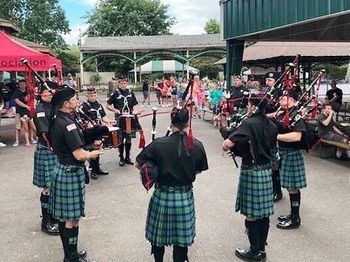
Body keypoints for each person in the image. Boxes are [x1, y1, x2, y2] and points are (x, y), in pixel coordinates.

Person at [135, 107, 208, 262]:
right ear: (187, 122)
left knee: (158, 237)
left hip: (162, 194)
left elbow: (137, 163)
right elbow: (199, 170)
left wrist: (154, 165)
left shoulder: (158, 144)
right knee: (181, 241)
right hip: (184, 196)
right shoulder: (197, 145)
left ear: (171, 122)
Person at [49, 87, 102, 262]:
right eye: (74, 99)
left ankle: (71, 253)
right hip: (70, 172)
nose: (76, 101)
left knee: (68, 219)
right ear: (66, 104)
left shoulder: (59, 119)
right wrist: (94, 153)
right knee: (71, 220)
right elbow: (79, 155)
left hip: (63, 169)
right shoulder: (67, 124)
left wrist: (89, 142)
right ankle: (70, 257)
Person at [223, 96, 278, 262]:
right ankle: (261, 249)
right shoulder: (273, 125)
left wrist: (226, 141)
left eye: (248, 104)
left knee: (251, 214)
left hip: (251, 171)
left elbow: (228, 144)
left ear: (253, 107)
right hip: (266, 171)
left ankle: (254, 252)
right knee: (264, 214)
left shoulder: (248, 124)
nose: (247, 107)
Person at [274, 91, 307, 230]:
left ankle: (295, 218)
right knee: (289, 186)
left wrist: (275, 136)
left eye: (284, 97)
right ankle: (293, 215)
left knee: (293, 187)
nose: (281, 99)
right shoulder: (282, 112)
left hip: (292, 153)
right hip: (283, 152)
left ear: (292, 100)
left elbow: (296, 136)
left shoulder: (296, 114)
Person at [32, 88, 59, 235]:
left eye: (50, 93)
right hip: (47, 149)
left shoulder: (54, 106)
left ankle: (53, 216)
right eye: (45, 94)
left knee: (54, 186)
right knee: (47, 187)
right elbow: (45, 133)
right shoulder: (40, 109)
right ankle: (46, 222)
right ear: (41, 95)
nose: (49, 95)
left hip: (55, 149)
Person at [81, 86, 115, 179]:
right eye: (91, 95)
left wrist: (109, 121)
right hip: (90, 132)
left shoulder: (99, 105)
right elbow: (82, 120)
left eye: (94, 95)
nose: (93, 97)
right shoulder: (83, 106)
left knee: (98, 149)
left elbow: (103, 117)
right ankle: (92, 170)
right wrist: (86, 125)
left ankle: (97, 168)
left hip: (99, 130)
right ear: (87, 95)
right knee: (93, 149)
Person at [106, 75, 140, 167]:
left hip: (130, 118)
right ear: (118, 83)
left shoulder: (130, 92)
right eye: (121, 83)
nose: (123, 84)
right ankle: (121, 158)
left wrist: (136, 111)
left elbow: (135, 104)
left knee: (128, 138)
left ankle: (127, 157)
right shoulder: (115, 93)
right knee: (120, 138)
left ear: (126, 83)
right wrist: (115, 110)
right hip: (120, 119)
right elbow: (108, 105)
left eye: (124, 83)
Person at [264, 72, 283, 202]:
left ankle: (278, 191)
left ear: (276, 81)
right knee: (269, 161)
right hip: (266, 127)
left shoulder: (281, 93)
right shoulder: (267, 91)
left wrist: (265, 116)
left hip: (275, 127)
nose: (267, 82)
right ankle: (271, 188)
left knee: (275, 163)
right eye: (266, 79)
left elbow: (280, 111)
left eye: (270, 80)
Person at [13, 80, 37, 147]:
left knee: (30, 127)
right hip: (19, 111)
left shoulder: (28, 91)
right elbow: (17, 101)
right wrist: (26, 106)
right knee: (18, 127)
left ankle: (31, 138)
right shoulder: (16, 92)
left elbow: (33, 99)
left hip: (28, 111)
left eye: (24, 84)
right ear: (19, 85)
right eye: (21, 84)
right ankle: (17, 140)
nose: (23, 85)